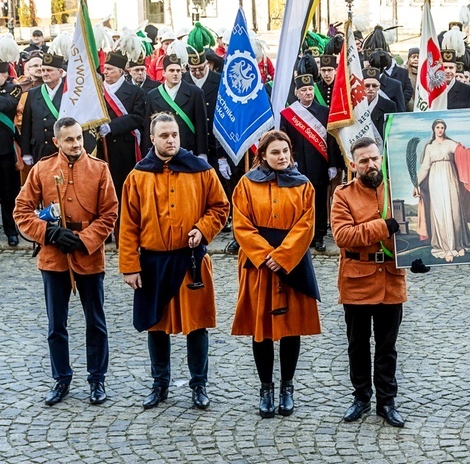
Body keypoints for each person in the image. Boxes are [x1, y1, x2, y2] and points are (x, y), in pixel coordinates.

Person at [119, 113, 229, 410]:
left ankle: (199, 385)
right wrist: (129, 265)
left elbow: (220, 207)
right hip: (152, 263)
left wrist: (203, 229)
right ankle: (160, 384)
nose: (170, 140)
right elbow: (128, 224)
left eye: (174, 135)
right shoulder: (138, 176)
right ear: (152, 138)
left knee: (197, 326)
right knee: (155, 324)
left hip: (190, 261)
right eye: (164, 135)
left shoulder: (201, 171)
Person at [14, 117, 118, 405]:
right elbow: (21, 211)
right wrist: (48, 232)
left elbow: (110, 213)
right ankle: (61, 379)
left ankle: (97, 379)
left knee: (95, 322)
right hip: (53, 258)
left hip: (89, 257)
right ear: (57, 141)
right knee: (56, 324)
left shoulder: (99, 170)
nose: (76, 144)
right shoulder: (42, 169)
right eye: (69, 139)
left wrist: (85, 239)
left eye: (79, 138)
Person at [331, 137, 429, 428]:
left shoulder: (397, 189)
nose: (371, 164)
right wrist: (382, 226)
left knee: (387, 348)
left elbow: (415, 228)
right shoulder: (342, 195)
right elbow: (343, 236)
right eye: (364, 160)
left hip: (390, 279)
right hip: (357, 280)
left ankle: (387, 401)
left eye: (374, 158)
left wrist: (419, 256)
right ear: (353, 165)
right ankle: (361, 397)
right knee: (357, 345)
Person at [230, 130, 321, 418]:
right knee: (263, 331)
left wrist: (282, 257)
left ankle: (287, 388)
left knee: (291, 328)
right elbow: (241, 225)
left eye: (285, 152)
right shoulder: (246, 185)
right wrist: (265, 255)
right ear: (263, 157)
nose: (282, 157)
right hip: (259, 267)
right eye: (275, 153)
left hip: (292, 263)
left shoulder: (304, 186)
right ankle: (266, 388)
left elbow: (307, 225)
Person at [281, 73, 344, 252]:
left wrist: (332, 164)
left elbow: (332, 139)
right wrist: (289, 162)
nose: (308, 93)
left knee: (319, 201)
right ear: (297, 92)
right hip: (298, 166)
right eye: (304, 90)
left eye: (310, 89)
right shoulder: (289, 114)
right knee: (301, 203)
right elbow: (285, 141)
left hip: (320, 164)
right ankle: (303, 236)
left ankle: (319, 236)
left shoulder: (324, 111)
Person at [416, 118, 470, 262]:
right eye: (438, 127)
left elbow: (465, 154)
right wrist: (416, 183)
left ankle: (458, 245)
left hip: (450, 178)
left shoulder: (450, 144)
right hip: (435, 181)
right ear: (433, 129)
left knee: (454, 211)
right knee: (439, 213)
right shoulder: (429, 147)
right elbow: (425, 167)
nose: (440, 130)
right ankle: (445, 247)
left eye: (442, 127)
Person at [97, 51, 146, 209]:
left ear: (121, 71)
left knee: (123, 189)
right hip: (102, 148)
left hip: (125, 149)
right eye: (105, 68)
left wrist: (111, 127)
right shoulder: (98, 91)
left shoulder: (135, 92)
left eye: (110, 69)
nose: (105, 72)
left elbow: (137, 117)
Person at [142, 53, 208, 159]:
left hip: (188, 149)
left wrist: (202, 153)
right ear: (163, 73)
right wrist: (147, 154)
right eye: (171, 70)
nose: (176, 73)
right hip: (163, 151)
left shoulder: (195, 93)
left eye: (178, 70)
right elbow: (148, 127)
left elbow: (201, 125)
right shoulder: (152, 95)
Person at [20, 53, 67, 165]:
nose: (45, 74)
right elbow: (26, 124)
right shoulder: (33, 93)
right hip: (40, 149)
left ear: (60, 72)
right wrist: (26, 151)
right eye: (43, 70)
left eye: (49, 70)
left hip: (63, 149)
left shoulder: (68, 93)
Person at [0, 61, 22, 246]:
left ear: (5, 76)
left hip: (5, 151)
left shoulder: (14, 89)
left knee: (9, 194)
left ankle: (11, 230)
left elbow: (7, 105)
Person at [364, 67, 397, 141]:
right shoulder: (355, 105)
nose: (371, 88)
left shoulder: (389, 106)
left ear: (379, 86)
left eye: (374, 85)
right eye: (367, 85)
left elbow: (392, 131)